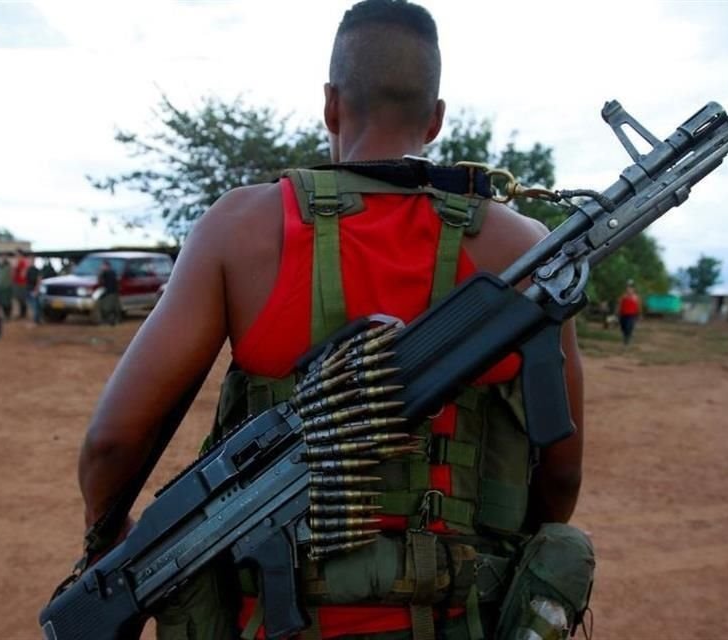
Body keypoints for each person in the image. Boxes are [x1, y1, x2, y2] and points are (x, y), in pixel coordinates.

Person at [77, 2, 591, 639]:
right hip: (464, 618)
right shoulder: (524, 248)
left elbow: (113, 442)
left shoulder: (241, 229)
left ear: (330, 105)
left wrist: (107, 536)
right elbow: (560, 469)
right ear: (435, 120)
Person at [96, 259, 121, 326]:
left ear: (107, 266)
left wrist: (100, 272)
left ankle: (110, 321)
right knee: (112, 308)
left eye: (103, 266)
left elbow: (100, 281)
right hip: (111, 293)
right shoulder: (112, 272)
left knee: (108, 308)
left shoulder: (108, 273)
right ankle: (113, 321)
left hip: (110, 293)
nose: (102, 267)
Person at [617, 280, 641, 345]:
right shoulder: (623, 296)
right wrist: (618, 312)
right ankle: (625, 336)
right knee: (623, 327)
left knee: (629, 327)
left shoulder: (635, 297)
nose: (629, 289)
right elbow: (620, 305)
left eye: (631, 288)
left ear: (633, 289)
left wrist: (638, 315)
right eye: (628, 288)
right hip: (623, 314)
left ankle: (627, 338)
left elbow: (638, 307)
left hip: (631, 315)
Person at [12, 250, 31, 319]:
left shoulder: (23, 261)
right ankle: (21, 313)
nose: (16, 255)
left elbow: (24, 273)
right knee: (18, 298)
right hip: (17, 282)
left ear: (20, 254)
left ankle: (23, 313)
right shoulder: (17, 261)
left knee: (22, 298)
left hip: (22, 283)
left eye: (16, 254)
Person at [26, 258, 43, 324]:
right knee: (32, 306)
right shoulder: (28, 270)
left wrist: (36, 289)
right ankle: (36, 319)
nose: (30, 262)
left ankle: (36, 320)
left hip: (34, 290)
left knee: (35, 306)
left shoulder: (37, 270)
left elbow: (39, 280)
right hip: (28, 289)